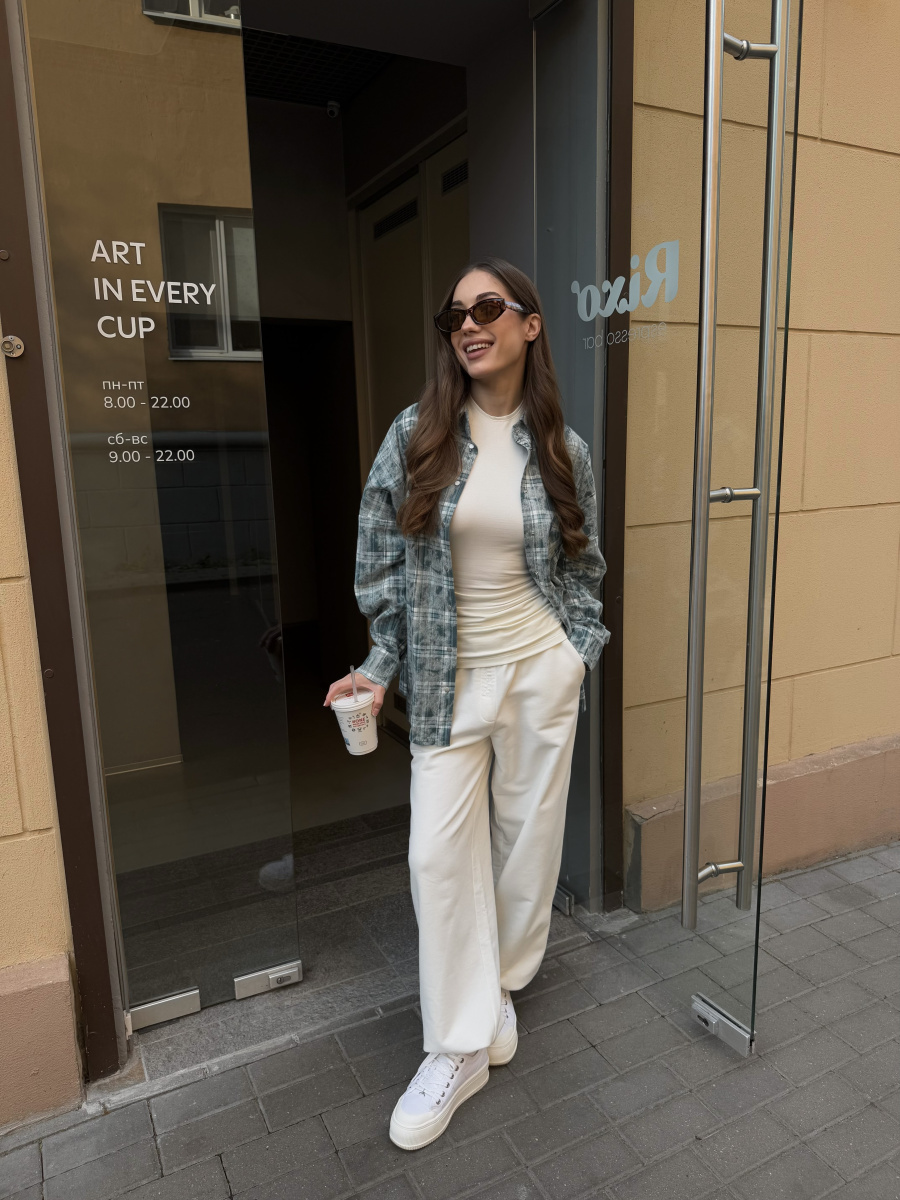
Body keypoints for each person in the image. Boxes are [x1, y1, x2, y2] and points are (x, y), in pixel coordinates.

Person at [324, 257, 609, 1150]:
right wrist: (380, 663)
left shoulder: (562, 450)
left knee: (526, 847)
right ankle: (456, 1046)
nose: (470, 325)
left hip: (538, 670)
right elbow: (379, 556)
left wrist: (574, 654)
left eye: (488, 307)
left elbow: (583, 563)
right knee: (436, 859)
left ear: (530, 324)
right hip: (450, 681)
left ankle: (500, 992)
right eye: (455, 315)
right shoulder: (418, 437)